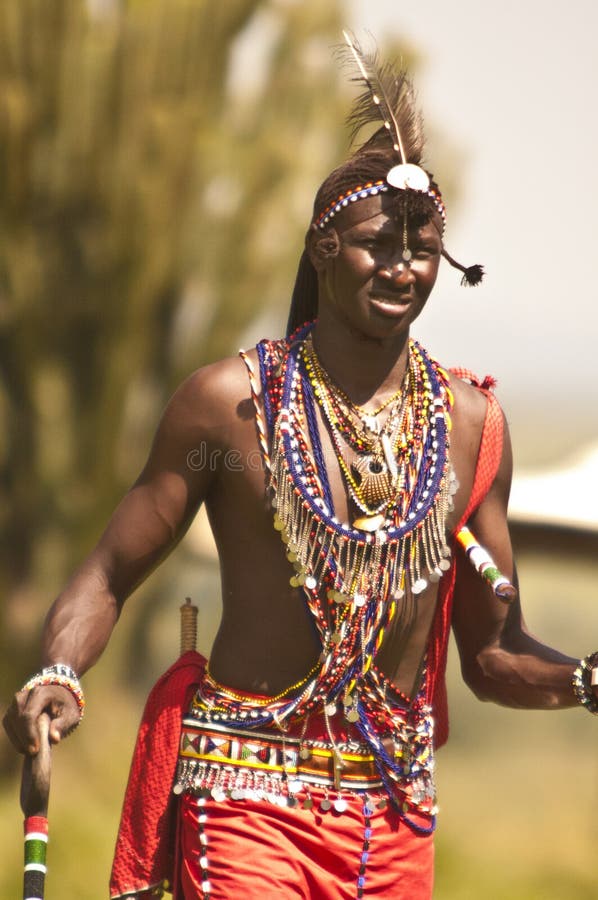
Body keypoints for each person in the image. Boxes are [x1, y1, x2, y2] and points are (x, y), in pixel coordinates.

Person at [4, 35, 597, 900]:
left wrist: (583, 679)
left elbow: (492, 655)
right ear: (322, 250)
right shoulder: (225, 407)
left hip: (392, 821)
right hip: (245, 800)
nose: (401, 267)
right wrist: (58, 670)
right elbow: (108, 571)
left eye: (422, 248)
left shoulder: (472, 429)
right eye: (376, 245)